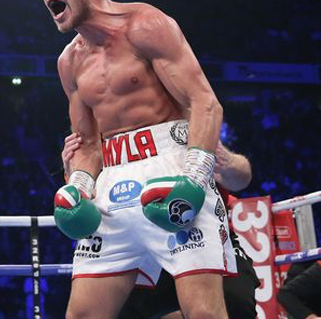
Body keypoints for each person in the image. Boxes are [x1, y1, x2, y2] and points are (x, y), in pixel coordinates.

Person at [40, 0, 236, 319]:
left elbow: (204, 103)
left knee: (203, 313)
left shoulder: (144, 24)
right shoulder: (69, 62)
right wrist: (79, 185)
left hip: (173, 167)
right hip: (112, 184)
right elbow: (87, 144)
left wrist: (194, 177)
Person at [62, 133, 260, 318]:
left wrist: (227, 160)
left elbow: (242, 178)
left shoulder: (180, 127)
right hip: (136, 247)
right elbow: (82, 208)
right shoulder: (102, 144)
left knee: (235, 304)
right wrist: (75, 174)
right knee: (107, 307)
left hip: (202, 235)